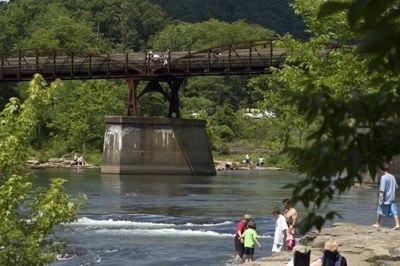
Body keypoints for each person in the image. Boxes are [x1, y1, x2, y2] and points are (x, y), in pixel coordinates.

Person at [372, 163, 400, 230]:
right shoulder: (392, 176)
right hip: (392, 197)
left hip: (385, 198)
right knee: (394, 211)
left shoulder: (383, 177)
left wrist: (381, 197)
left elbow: (382, 189)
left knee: (379, 210)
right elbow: (396, 186)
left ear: (382, 170)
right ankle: (397, 224)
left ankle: (377, 223)